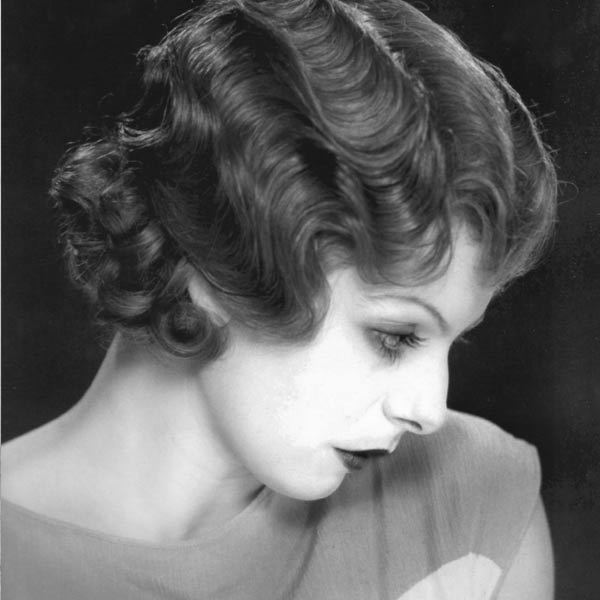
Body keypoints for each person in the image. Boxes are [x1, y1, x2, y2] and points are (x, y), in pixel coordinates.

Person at [1, 0, 557, 598]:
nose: (429, 411)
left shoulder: (477, 505)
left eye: (453, 340)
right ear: (219, 268)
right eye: (394, 337)